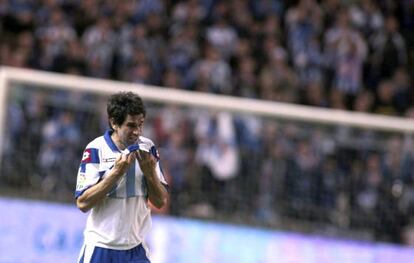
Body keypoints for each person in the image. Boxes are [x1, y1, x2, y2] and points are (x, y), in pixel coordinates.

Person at [75, 91, 169, 263]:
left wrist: (149, 173)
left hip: (135, 250)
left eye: (141, 125)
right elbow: (82, 203)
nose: (137, 132)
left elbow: (160, 202)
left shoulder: (148, 149)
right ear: (114, 123)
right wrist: (116, 173)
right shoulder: (95, 149)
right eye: (131, 125)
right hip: (100, 248)